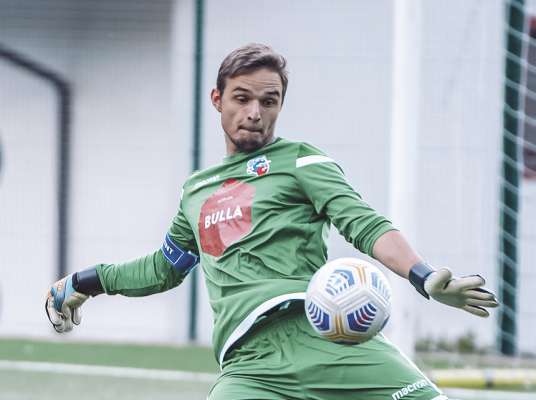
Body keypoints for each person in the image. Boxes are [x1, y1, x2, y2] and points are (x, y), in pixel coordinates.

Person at [46, 43, 498, 400]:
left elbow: (364, 223)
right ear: (217, 99)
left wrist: (423, 276)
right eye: (242, 98)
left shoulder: (302, 161)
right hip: (249, 364)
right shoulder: (195, 191)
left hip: (327, 341)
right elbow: (163, 269)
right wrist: (84, 282)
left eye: (269, 100)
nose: (255, 112)